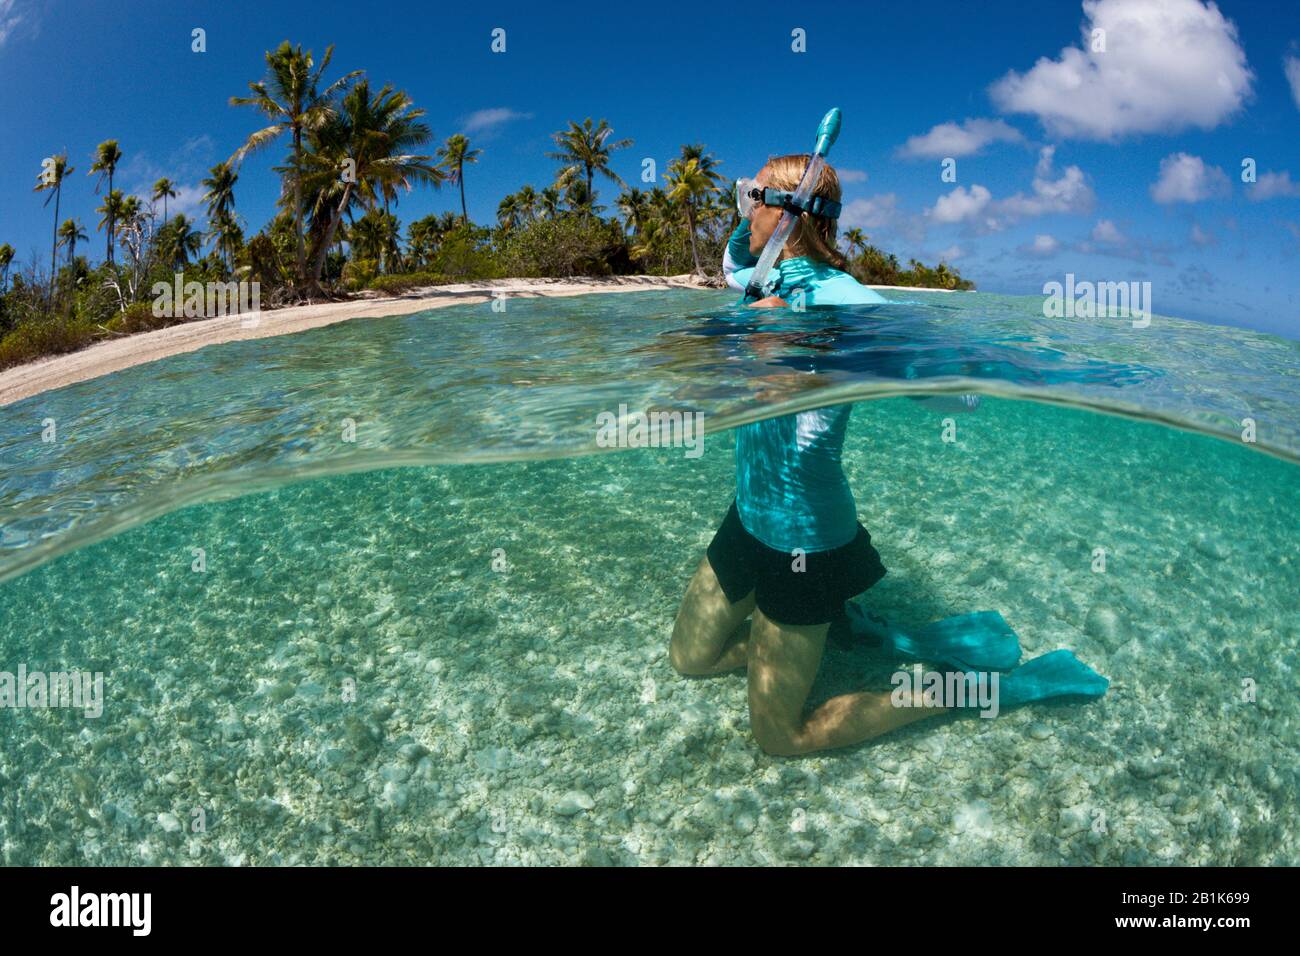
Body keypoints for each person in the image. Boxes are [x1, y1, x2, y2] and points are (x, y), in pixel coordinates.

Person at [669, 154, 1106, 755]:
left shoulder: (848, 304)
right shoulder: (764, 280)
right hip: (749, 515)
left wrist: (848, 362)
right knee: (691, 659)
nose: (743, 208)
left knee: (780, 737)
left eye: (753, 196)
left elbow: (964, 398)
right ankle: (840, 634)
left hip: (804, 536)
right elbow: (732, 263)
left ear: (789, 212)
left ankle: (961, 689)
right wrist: (758, 226)